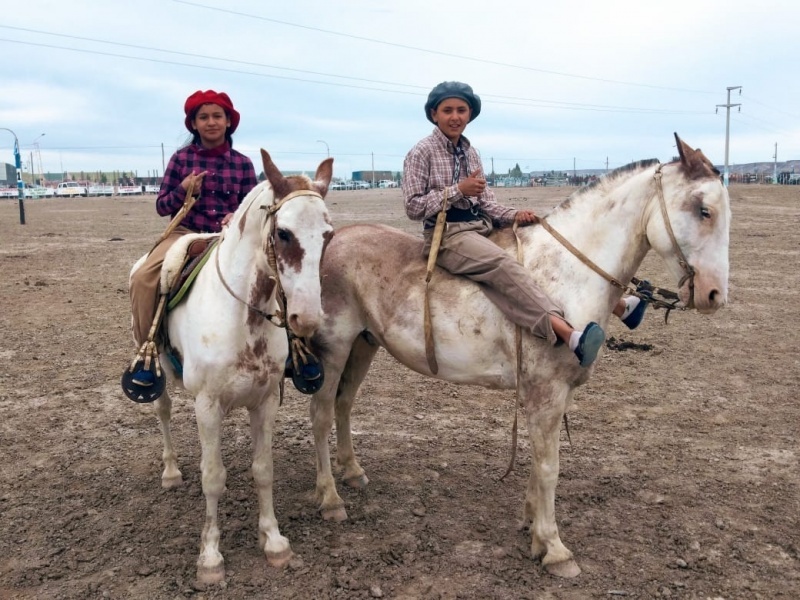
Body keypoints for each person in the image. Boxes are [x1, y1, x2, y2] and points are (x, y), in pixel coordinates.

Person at [402, 81, 649, 368]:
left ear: (470, 115)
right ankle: (569, 335)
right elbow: (413, 207)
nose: (455, 116)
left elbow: (486, 203)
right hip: (447, 236)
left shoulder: (471, 153)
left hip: (480, 226)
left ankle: (619, 305)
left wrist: (515, 215)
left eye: (461, 110)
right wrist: (458, 190)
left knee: (538, 250)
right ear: (434, 114)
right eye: (447, 110)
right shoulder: (421, 152)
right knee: (503, 265)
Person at [128, 89, 258, 387]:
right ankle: (148, 350)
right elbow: (162, 206)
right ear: (194, 124)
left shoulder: (243, 164)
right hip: (185, 234)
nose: (211, 122)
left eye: (217, 116)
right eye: (204, 117)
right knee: (144, 277)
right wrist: (183, 189)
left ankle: (296, 350)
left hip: (230, 236)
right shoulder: (180, 160)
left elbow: (252, 207)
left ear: (228, 122)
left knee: (277, 271)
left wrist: (235, 217)